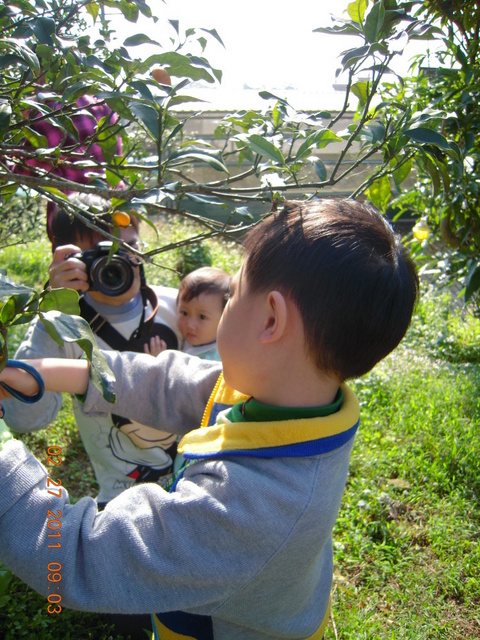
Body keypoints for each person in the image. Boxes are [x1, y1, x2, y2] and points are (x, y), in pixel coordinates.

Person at [0, 199, 419, 640]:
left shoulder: (243, 510)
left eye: (234, 294)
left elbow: (78, 557)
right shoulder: (300, 399)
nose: (228, 303)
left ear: (271, 320)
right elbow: (179, 383)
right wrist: (62, 372)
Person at [2, 192, 183, 509]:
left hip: (190, 477)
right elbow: (22, 418)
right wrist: (53, 311)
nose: (118, 262)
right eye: (100, 254)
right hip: (120, 497)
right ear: (70, 260)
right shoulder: (66, 329)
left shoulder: (181, 309)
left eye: (128, 247)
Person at [176, 266, 231, 361]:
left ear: (224, 319)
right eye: (184, 313)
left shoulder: (213, 360)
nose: (190, 325)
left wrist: (161, 360)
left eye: (202, 317)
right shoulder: (197, 340)